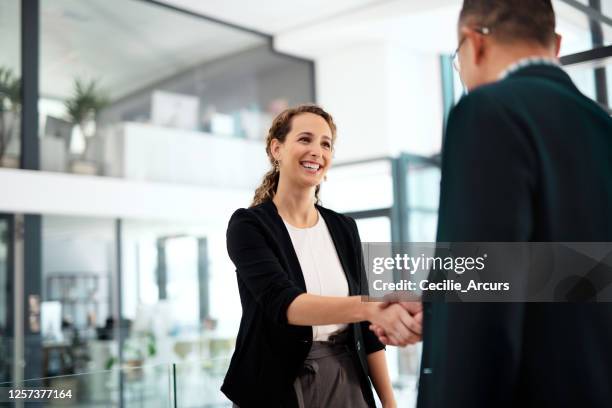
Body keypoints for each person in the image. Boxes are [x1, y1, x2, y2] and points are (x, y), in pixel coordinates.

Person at [409, 1, 612, 407]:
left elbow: (482, 297)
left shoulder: (487, 110)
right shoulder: (603, 127)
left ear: (473, 43)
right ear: (554, 45)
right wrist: (434, 305)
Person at [222, 104, 422, 408]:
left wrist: (390, 404)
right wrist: (371, 309)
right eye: (305, 139)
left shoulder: (344, 228)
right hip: (275, 384)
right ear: (277, 148)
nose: (317, 150)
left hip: (345, 378)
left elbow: (367, 334)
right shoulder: (248, 226)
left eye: (325, 143)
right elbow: (285, 304)